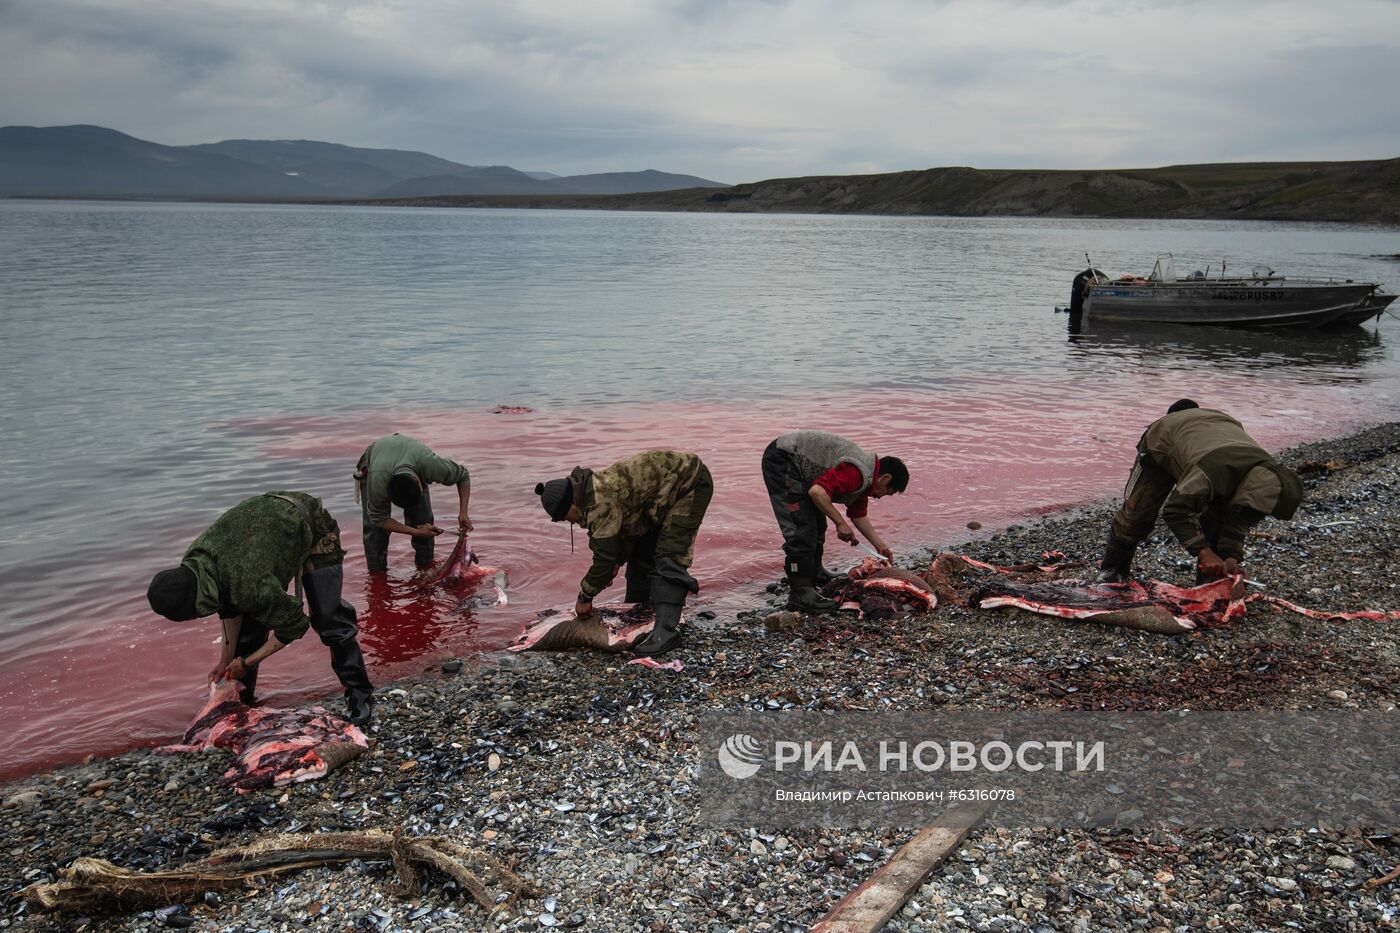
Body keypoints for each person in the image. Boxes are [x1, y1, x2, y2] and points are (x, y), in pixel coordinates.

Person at [145, 491, 374, 724]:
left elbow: (293, 626)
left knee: (330, 620)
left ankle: (359, 693)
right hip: (263, 541)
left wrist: (247, 663)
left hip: (310, 524)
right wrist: (225, 661)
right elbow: (228, 607)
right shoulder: (195, 563)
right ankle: (241, 703)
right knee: (246, 636)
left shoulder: (250, 584)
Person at [1097, 400, 1303, 584]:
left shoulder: (1267, 478)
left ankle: (1210, 583)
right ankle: (1112, 571)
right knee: (1137, 514)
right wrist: (1203, 552)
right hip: (1162, 442)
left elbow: (1240, 518)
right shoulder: (1210, 474)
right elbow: (1176, 512)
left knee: (1215, 517)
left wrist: (1230, 556)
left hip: (1210, 435)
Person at [534, 450, 713, 658]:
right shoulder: (591, 490)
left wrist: (585, 596)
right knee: (640, 554)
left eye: (567, 517)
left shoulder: (599, 501)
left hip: (689, 485)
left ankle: (667, 632)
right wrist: (618, 561)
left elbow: (603, 557)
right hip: (656, 500)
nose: (573, 522)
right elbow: (627, 531)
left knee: (669, 557)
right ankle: (640, 611)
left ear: (572, 503)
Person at [761, 431, 909, 612]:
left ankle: (814, 573)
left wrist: (881, 547)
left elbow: (858, 515)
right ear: (885, 478)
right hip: (783, 459)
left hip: (800, 469)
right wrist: (840, 523)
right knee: (802, 528)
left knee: (818, 524)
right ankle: (800, 594)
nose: (881, 497)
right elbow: (817, 492)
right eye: (888, 492)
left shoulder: (866, 482)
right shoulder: (857, 472)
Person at [354, 434, 472, 572]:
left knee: (423, 518)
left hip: (411, 459)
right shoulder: (378, 481)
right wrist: (416, 531)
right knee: (375, 531)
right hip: (373, 466)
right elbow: (379, 519)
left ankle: (425, 568)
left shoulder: (431, 465)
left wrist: (463, 512)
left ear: (420, 481)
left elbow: (463, 476)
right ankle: (377, 575)